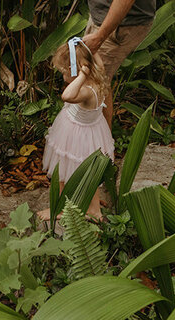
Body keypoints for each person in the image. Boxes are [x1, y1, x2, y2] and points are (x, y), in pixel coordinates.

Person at [42, 40, 113, 220]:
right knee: (90, 173)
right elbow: (99, 61)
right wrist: (84, 46)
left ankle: (58, 208)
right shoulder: (99, 77)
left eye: (65, 72)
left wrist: (81, 75)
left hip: (75, 134)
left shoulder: (86, 91)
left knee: (62, 167)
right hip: (93, 133)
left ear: (79, 69)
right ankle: (94, 208)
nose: (63, 76)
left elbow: (66, 95)